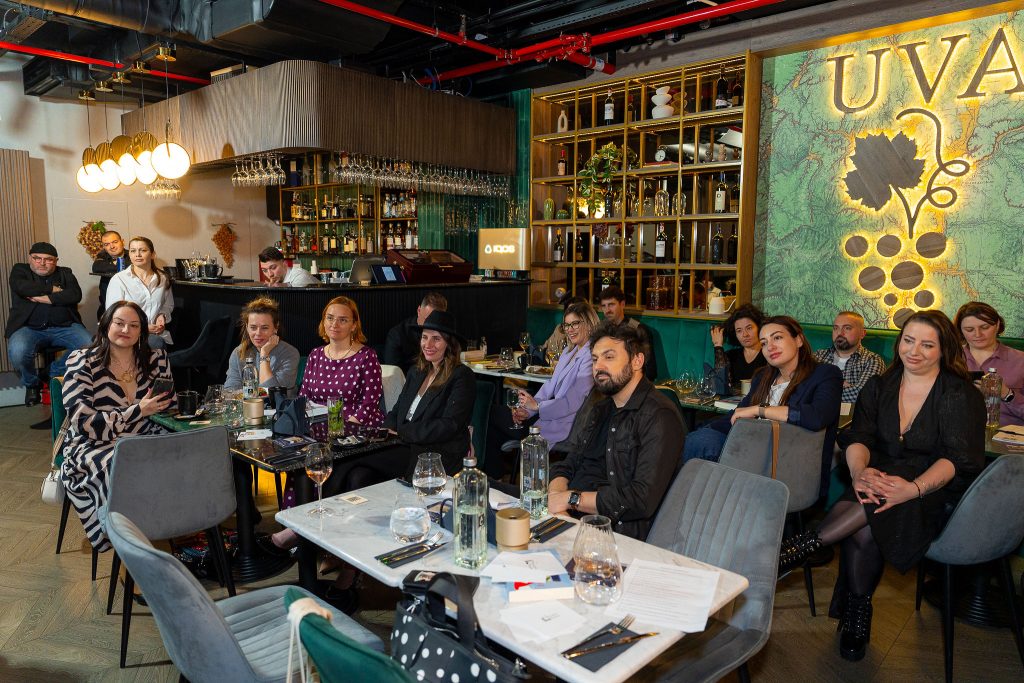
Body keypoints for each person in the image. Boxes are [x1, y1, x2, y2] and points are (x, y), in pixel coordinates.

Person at [778, 310, 985, 662]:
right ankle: (857, 609)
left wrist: (913, 488)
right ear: (898, 342)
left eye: (927, 345)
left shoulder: (959, 393)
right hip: (877, 479)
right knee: (865, 523)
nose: (914, 351)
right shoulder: (879, 386)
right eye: (908, 340)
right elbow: (858, 437)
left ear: (943, 349)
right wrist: (859, 472)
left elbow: (956, 459)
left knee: (868, 515)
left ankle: (802, 547)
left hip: (933, 489)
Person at [547, 321, 685, 540]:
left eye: (609, 357)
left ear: (637, 361)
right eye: (595, 359)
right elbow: (569, 463)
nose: (598, 366)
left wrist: (572, 500)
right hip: (570, 517)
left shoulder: (659, 415)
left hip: (613, 533)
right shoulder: (601, 409)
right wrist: (557, 499)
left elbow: (641, 499)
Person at [682, 316, 843, 496]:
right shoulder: (763, 377)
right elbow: (737, 416)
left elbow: (817, 416)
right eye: (764, 343)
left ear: (798, 340)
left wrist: (761, 410)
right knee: (696, 440)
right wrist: (703, 431)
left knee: (702, 446)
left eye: (777, 338)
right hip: (750, 448)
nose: (770, 347)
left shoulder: (825, 374)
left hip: (790, 461)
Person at [58, 301, 174, 551]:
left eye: (134, 325)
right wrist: (138, 411)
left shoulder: (155, 358)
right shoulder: (82, 360)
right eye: (119, 323)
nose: (126, 330)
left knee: (186, 455)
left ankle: (178, 528)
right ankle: (129, 543)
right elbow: (84, 422)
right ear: (105, 324)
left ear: (142, 331)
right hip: (94, 443)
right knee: (122, 464)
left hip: (145, 434)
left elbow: (168, 406)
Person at [486, 301, 599, 471]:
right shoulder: (569, 352)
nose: (570, 329)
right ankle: (497, 474)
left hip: (564, 425)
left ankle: (496, 475)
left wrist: (537, 407)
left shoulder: (592, 356)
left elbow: (572, 402)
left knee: (490, 414)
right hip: (548, 414)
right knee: (495, 418)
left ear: (589, 323)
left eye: (575, 323)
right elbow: (549, 387)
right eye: (567, 325)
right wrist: (528, 410)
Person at [381, 310, 475, 478]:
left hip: (436, 453)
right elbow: (397, 410)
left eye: (436, 339)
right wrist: (385, 431)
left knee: (361, 469)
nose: (428, 344)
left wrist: (403, 432)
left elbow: (450, 425)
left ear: (449, 344)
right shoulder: (416, 372)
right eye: (424, 337)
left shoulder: (461, 376)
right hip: (404, 445)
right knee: (358, 471)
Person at [6, 242, 93, 406]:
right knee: (18, 351)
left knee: (90, 346)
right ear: (29, 258)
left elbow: (75, 295)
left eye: (48, 259)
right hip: (28, 328)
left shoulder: (65, 273)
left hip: (65, 326)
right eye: (37, 258)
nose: (42, 262)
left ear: (56, 261)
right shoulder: (20, 270)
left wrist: (44, 298)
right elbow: (22, 287)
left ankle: (50, 372)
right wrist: (53, 290)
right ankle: (32, 384)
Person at [300, 296, 384, 427]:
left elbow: (370, 404)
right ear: (323, 321)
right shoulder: (315, 355)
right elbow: (303, 398)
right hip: (315, 426)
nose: (334, 324)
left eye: (343, 320)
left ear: (354, 325)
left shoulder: (366, 357)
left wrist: (346, 429)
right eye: (330, 318)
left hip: (355, 427)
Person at [954, 301, 1023, 426]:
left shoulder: (1020, 360)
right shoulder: (949, 359)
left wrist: (1006, 394)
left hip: (1007, 433)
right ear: (961, 331)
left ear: (997, 325)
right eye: (969, 329)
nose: (978, 334)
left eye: (985, 327)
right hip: (959, 431)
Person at [104, 236, 174, 349]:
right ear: (129, 255)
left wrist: (162, 315)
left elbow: (168, 305)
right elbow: (113, 316)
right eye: (133, 251)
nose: (137, 254)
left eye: (143, 250)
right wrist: (143, 328)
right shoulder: (119, 280)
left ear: (153, 254)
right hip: (126, 335)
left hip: (156, 334)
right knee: (156, 343)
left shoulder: (163, 278)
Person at [224, 297, 300, 391]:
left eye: (264, 328)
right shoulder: (238, 352)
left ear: (276, 327)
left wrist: (264, 354)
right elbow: (230, 390)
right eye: (253, 327)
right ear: (247, 327)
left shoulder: (290, 353)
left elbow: (273, 393)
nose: (258, 333)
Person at [814, 311, 885, 403]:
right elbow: (802, 389)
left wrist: (820, 391)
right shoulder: (818, 356)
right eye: (835, 328)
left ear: (862, 333)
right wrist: (843, 386)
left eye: (847, 328)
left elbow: (862, 396)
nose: (840, 333)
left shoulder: (872, 360)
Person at [598, 285, 658, 380]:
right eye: (604, 306)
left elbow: (650, 370)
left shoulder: (637, 329)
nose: (607, 310)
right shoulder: (602, 329)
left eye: (611, 305)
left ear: (622, 304)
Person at [383, 291, 448, 373]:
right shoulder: (397, 335)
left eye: (436, 322)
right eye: (427, 320)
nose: (430, 325)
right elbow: (394, 374)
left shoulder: (447, 334)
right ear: (419, 310)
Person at [711, 303, 767, 386]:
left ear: (759, 327)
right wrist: (718, 345)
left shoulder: (769, 354)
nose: (745, 334)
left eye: (749, 328)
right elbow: (720, 384)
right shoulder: (731, 356)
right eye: (739, 331)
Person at [91, 230, 126, 321]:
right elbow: (96, 267)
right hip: (107, 309)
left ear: (122, 242)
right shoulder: (102, 256)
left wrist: (113, 265)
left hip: (131, 306)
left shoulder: (132, 254)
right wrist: (121, 267)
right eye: (107, 244)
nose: (112, 246)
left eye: (115, 242)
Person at [542, 295, 585, 361]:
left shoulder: (585, 340)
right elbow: (546, 349)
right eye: (569, 311)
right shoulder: (559, 328)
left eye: (576, 312)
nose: (572, 315)